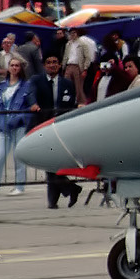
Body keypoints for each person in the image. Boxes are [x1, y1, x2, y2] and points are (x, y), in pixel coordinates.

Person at [34, 55, 81, 208]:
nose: (52, 65)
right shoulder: (38, 81)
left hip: (61, 128)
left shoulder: (67, 84)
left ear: (60, 65)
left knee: (52, 165)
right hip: (43, 127)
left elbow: (71, 103)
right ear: (44, 65)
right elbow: (31, 97)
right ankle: (70, 189)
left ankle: (54, 200)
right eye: (49, 62)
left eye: (55, 62)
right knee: (49, 164)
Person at [0, 58, 38, 196]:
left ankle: (19, 186)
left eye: (17, 65)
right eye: (12, 65)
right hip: (3, 126)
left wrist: (23, 116)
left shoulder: (26, 86)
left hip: (18, 125)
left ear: (20, 68)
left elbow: (31, 104)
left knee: (18, 156)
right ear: (8, 67)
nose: (14, 68)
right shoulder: (2, 86)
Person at [64, 29, 96, 104]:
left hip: (78, 66)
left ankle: (81, 102)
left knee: (79, 87)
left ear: (77, 34)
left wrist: (85, 69)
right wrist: (63, 66)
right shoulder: (68, 44)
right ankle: (68, 101)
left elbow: (87, 57)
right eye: (71, 33)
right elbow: (66, 56)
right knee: (66, 84)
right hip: (69, 65)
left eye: (74, 33)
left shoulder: (82, 44)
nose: (72, 35)